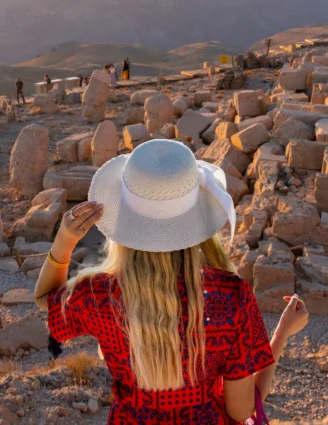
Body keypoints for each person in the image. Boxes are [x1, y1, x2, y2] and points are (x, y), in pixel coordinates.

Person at [35, 139, 308, 425]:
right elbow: (241, 411)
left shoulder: (100, 295)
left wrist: (65, 239)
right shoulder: (230, 296)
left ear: (125, 218)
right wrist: (281, 335)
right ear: (197, 216)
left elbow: (46, 299)